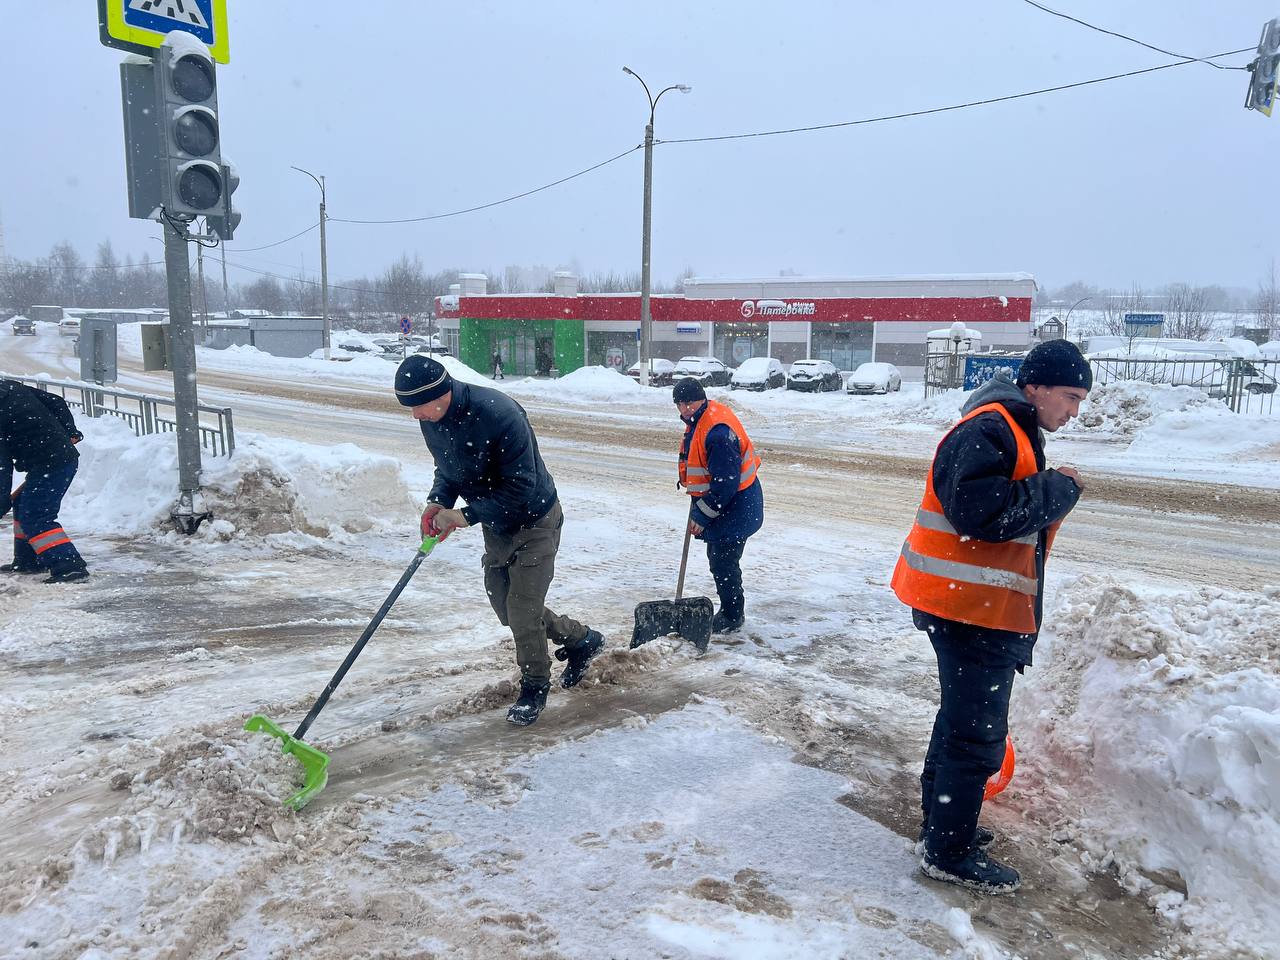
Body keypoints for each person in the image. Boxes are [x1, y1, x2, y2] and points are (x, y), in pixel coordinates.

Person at [890, 339, 1092, 894]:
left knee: (960, 721)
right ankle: (948, 850)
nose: (1073, 412)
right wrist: (1057, 489)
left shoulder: (1009, 427)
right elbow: (981, 514)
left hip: (969, 606)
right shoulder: (990, 428)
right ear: (1036, 388)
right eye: (1070, 397)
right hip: (967, 610)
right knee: (976, 732)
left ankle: (942, 826)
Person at [395, 355, 604, 725]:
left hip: (535, 519)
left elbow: (521, 487)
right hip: (497, 526)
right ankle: (580, 638)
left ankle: (535, 687)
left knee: (523, 609)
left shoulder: (498, 413)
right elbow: (448, 469)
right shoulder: (434, 420)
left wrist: (464, 516)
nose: (415, 417)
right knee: (507, 606)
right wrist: (438, 501)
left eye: (417, 406)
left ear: (440, 394)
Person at [672, 377, 764, 633]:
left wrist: (701, 515)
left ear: (701, 399)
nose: (684, 409)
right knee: (719, 558)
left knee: (724, 562)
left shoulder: (717, 432)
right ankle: (731, 608)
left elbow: (725, 485)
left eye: (688, 402)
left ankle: (733, 615)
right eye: (679, 404)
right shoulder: (702, 418)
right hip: (730, 503)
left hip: (736, 506)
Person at [0, 379, 89, 583]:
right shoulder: (9, 386)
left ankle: (69, 565)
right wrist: (70, 431)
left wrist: (1, 499)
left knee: (36, 516)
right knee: (23, 505)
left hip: (54, 464)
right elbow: (56, 401)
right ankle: (28, 560)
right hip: (51, 459)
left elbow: (2, 464)